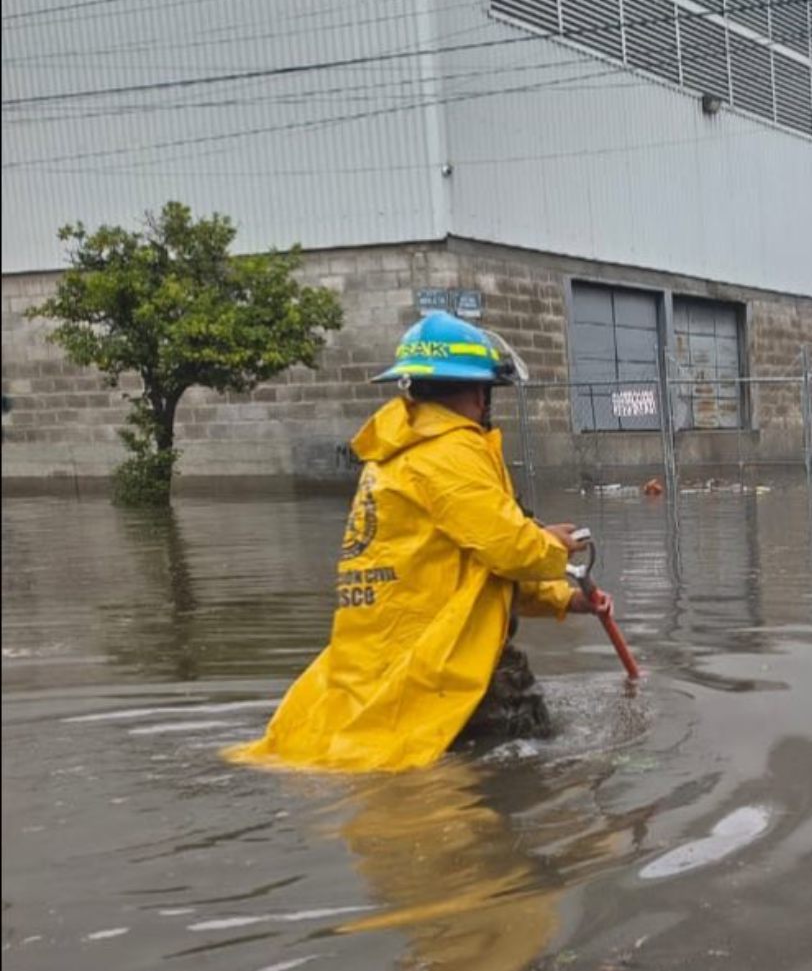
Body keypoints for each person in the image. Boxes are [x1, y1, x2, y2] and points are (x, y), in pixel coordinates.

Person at [229, 312, 602, 773]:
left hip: (387, 656)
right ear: (476, 392)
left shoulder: (395, 457)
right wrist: (553, 545)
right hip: (445, 656)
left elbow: (472, 569)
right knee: (521, 766)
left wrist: (564, 597)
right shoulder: (450, 451)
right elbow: (509, 548)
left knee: (435, 759)